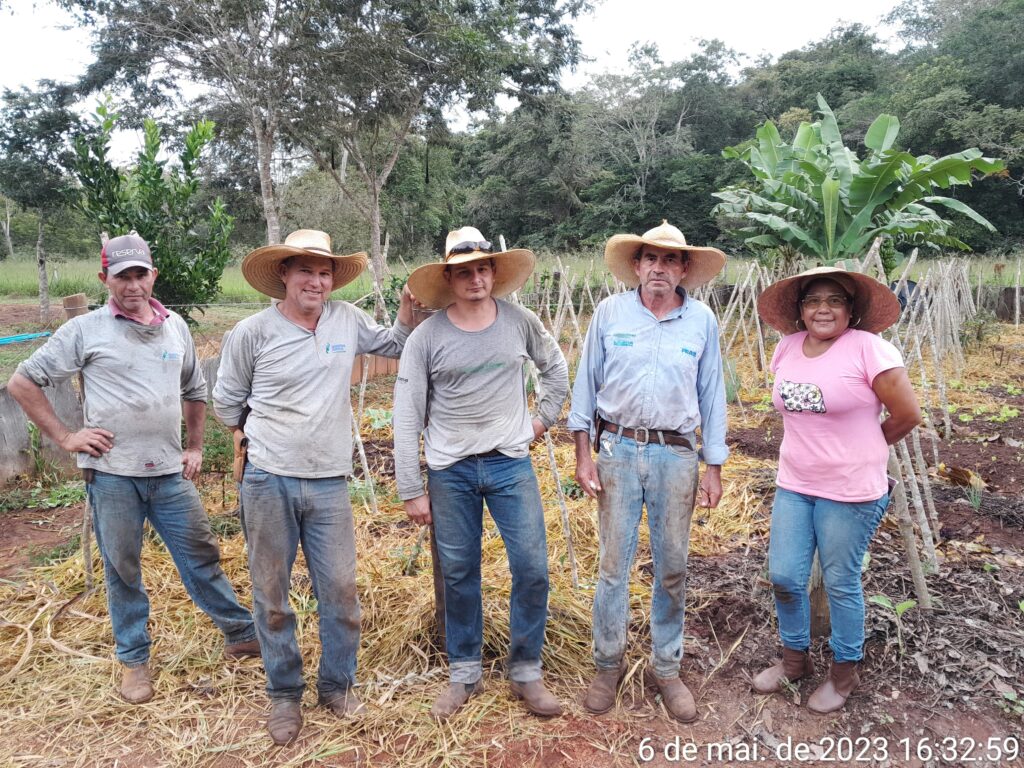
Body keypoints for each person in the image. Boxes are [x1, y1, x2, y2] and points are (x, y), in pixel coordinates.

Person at [7, 233, 258, 705]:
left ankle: (241, 632)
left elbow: (194, 388)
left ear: (152, 275)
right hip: (113, 474)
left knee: (200, 552)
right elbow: (22, 381)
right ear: (105, 279)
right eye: (122, 276)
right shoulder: (85, 330)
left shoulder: (175, 327)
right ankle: (134, 660)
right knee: (123, 567)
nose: (133, 284)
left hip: (168, 472)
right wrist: (66, 437)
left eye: (140, 274)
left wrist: (196, 446)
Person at [213, 229, 417, 745]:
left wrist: (412, 311)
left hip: (328, 482)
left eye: (325, 273)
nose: (316, 281)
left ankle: (336, 685)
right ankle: (284, 694)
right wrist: (258, 440)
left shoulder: (347, 320)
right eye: (305, 270)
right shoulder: (252, 333)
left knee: (341, 591)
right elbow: (226, 405)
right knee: (272, 595)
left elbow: (394, 344)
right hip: (267, 480)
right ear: (283, 274)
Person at [393, 226, 569, 720]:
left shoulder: (518, 321)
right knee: (459, 572)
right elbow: (407, 413)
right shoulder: (427, 337)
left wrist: (540, 420)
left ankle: (526, 670)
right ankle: (464, 672)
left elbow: (555, 368)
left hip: (509, 464)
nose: (475, 278)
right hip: (450, 471)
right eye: (464, 271)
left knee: (532, 566)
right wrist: (412, 488)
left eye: (483, 268)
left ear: (494, 272)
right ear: (449, 278)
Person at [568, 220, 729, 723]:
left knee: (673, 565)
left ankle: (667, 667)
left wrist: (714, 466)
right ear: (636, 266)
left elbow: (712, 395)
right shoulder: (610, 313)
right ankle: (607, 664)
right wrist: (583, 453)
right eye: (650, 259)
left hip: (676, 454)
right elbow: (585, 386)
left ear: (684, 269)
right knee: (613, 564)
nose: (659, 269)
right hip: (616, 448)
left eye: (670, 260)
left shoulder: (701, 321)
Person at [753, 266, 921, 714]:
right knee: (785, 576)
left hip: (850, 491)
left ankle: (845, 672)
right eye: (812, 300)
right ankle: (794, 661)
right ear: (800, 310)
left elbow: (907, 414)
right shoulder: (786, 348)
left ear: (851, 310)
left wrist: (864, 447)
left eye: (834, 300)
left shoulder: (870, 349)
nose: (823, 308)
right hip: (795, 482)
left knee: (841, 581)